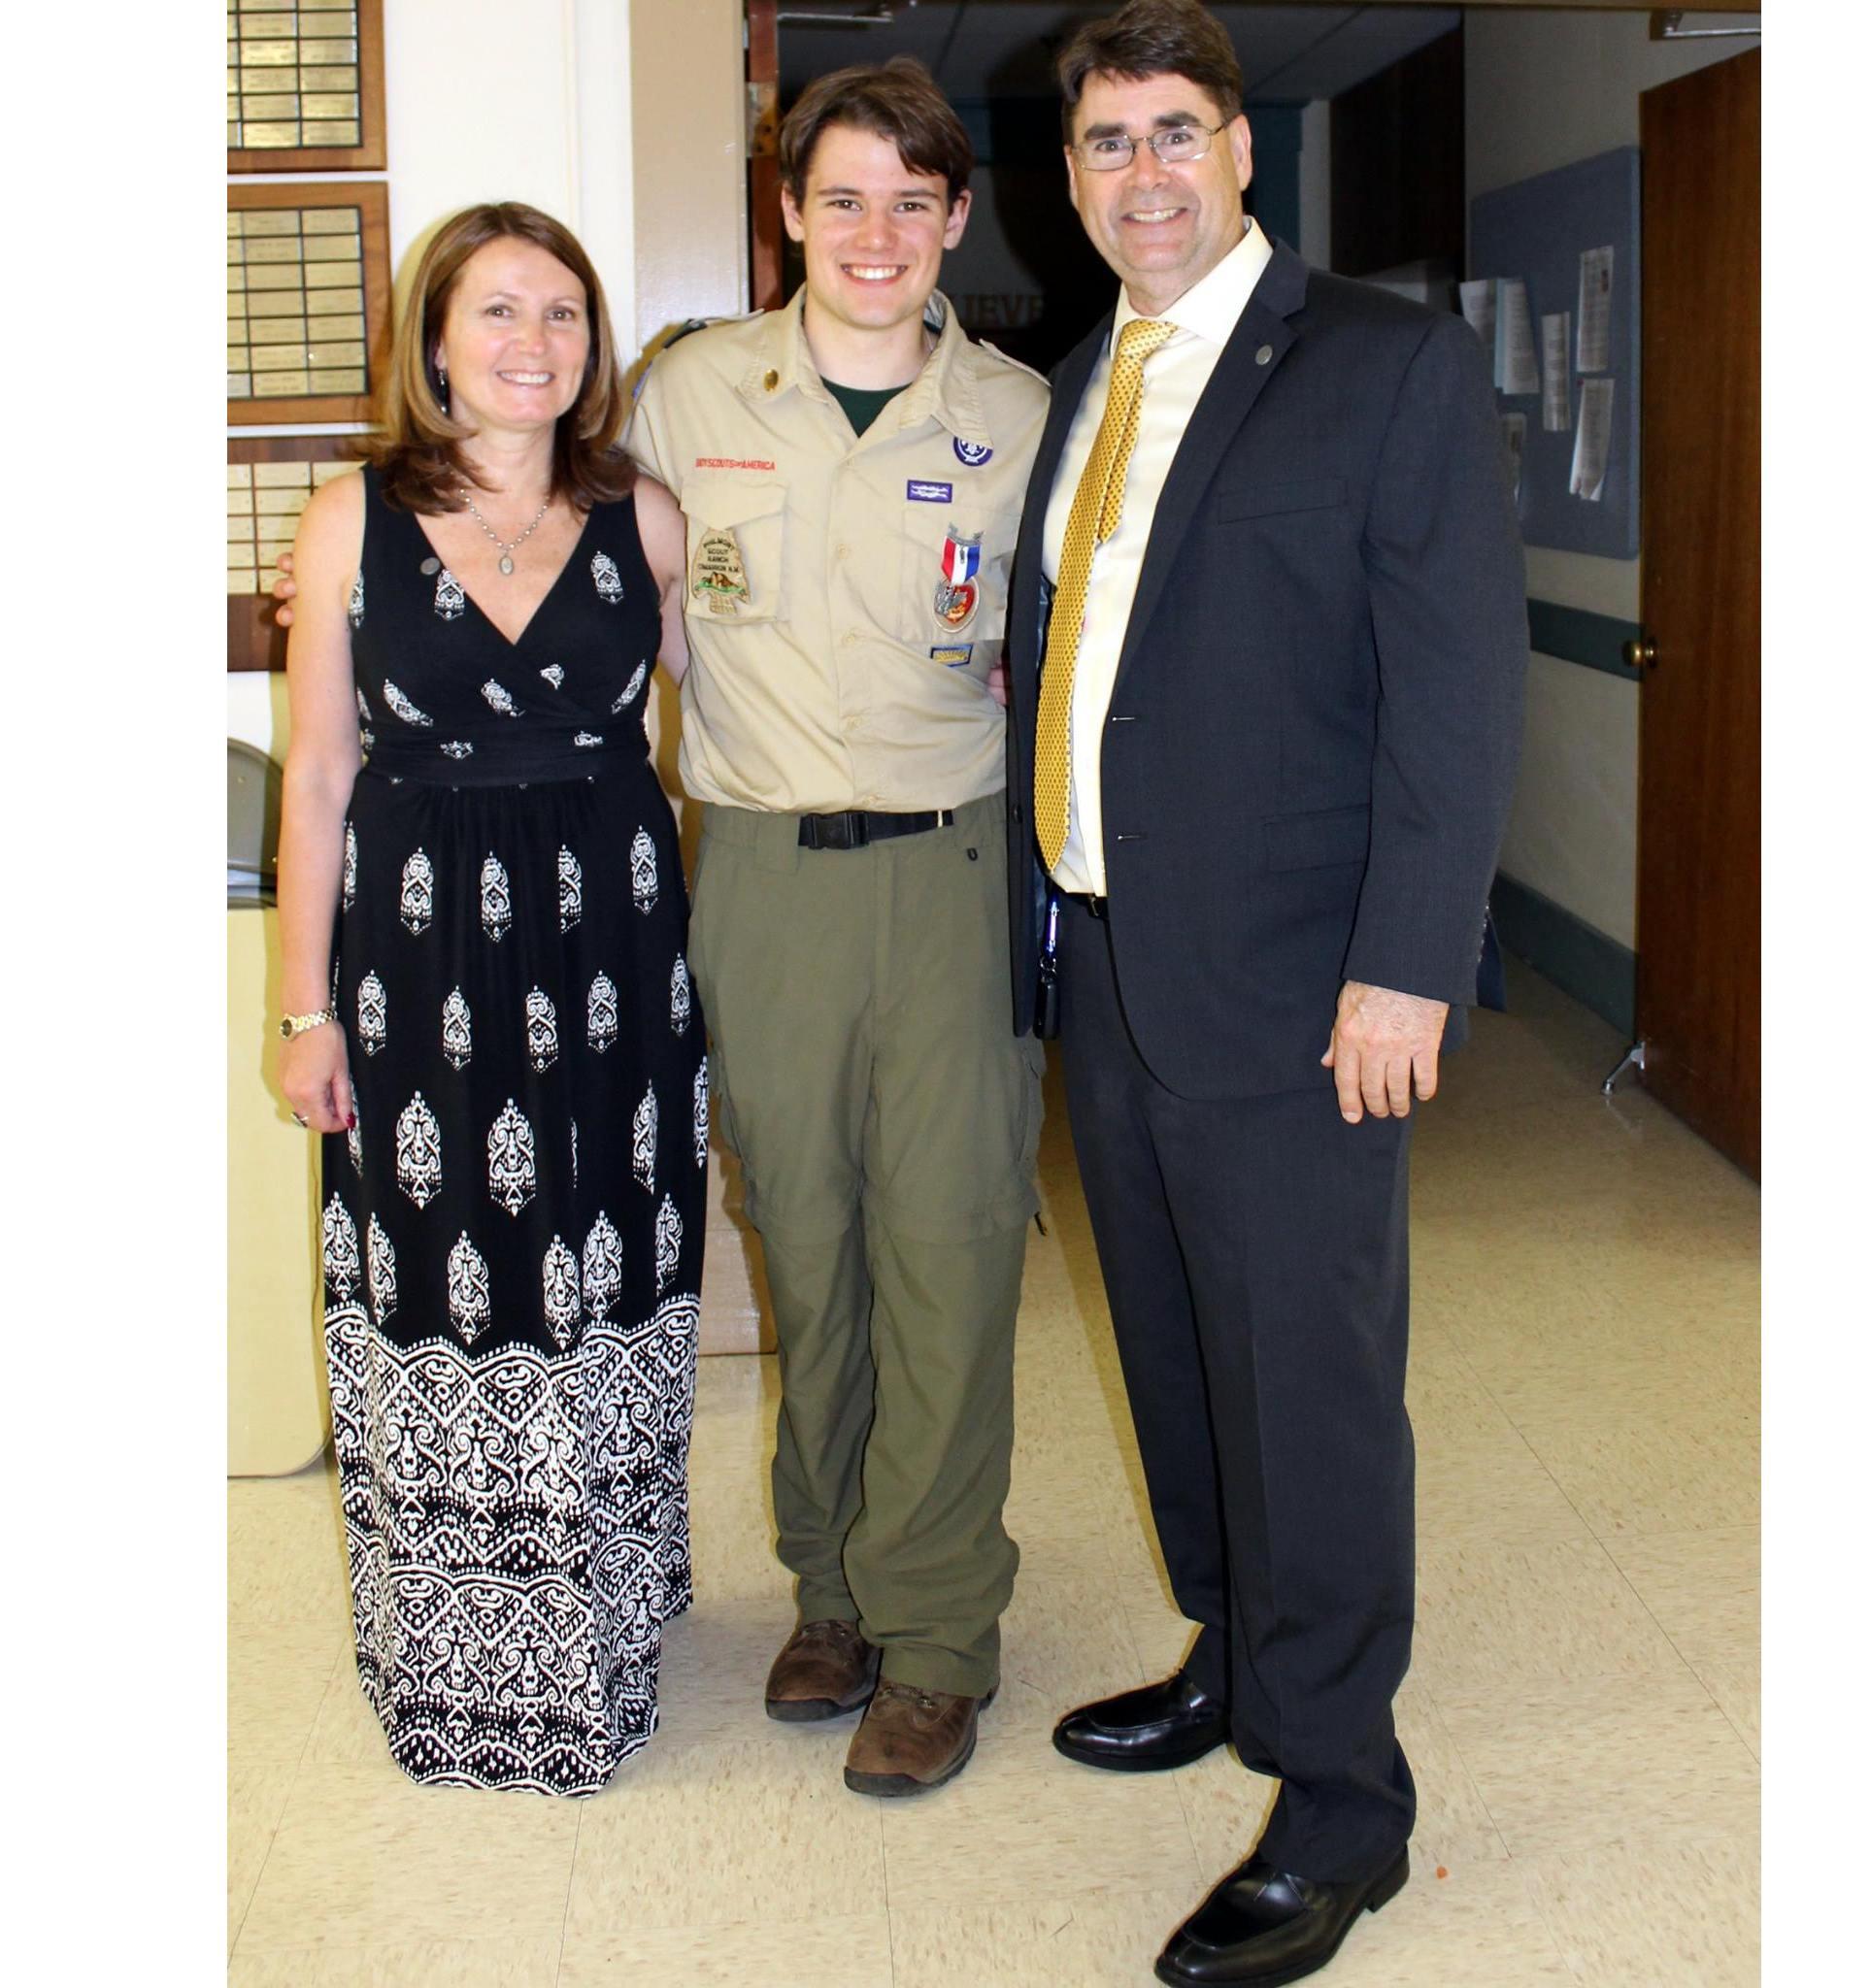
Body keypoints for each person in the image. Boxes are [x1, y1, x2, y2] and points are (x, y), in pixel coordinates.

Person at [1004, 4, 1528, 1981]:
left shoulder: (1380, 369)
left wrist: (1407, 964)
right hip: (1113, 963)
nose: (1137, 173)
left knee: (1305, 1392)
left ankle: (1340, 1796)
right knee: (1176, 1352)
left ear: (1237, 151)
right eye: (1101, 144)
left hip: (1307, 991)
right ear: (1068, 181)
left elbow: (1456, 698)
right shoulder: (1083, 385)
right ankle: (1229, 1659)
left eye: (1171, 134)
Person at [624, 60, 1050, 1796]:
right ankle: (834, 1591)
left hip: (951, 872)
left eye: (913, 199)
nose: (876, 232)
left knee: (947, 1247)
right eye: (842, 195)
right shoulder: (688, 391)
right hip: (766, 876)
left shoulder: (1023, 414)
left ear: (956, 219)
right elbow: (614, 606)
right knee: (805, 1247)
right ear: (788, 208)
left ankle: (939, 1632)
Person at [276, 201, 706, 1796]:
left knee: (601, 1267)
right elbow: (319, 773)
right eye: (500, 313)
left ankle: (600, 1615)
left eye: (565, 317)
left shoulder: (645, 516)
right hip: (416, 959)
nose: (536, 345)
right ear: (437, 342)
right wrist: (303, 1008)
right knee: (449, 1284)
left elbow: (720, 711)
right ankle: (457, 1657)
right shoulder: (347, 522)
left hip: (612, 954)